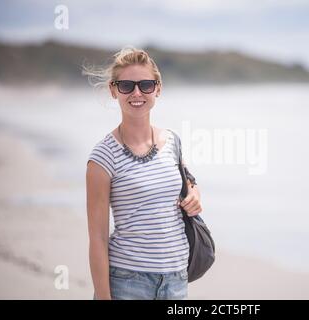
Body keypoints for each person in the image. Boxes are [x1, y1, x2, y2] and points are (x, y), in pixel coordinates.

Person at [84, 47, 202, 300]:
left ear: (157, 89)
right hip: (128, 281)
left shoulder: (173, 141)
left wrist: (194, 194)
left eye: (146, 85)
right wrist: (103, 297)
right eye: (127, 85)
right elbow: (97, 238)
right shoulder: (102, 158)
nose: (137, 93)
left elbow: (186, 182)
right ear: (113, 90)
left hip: (176, 279)